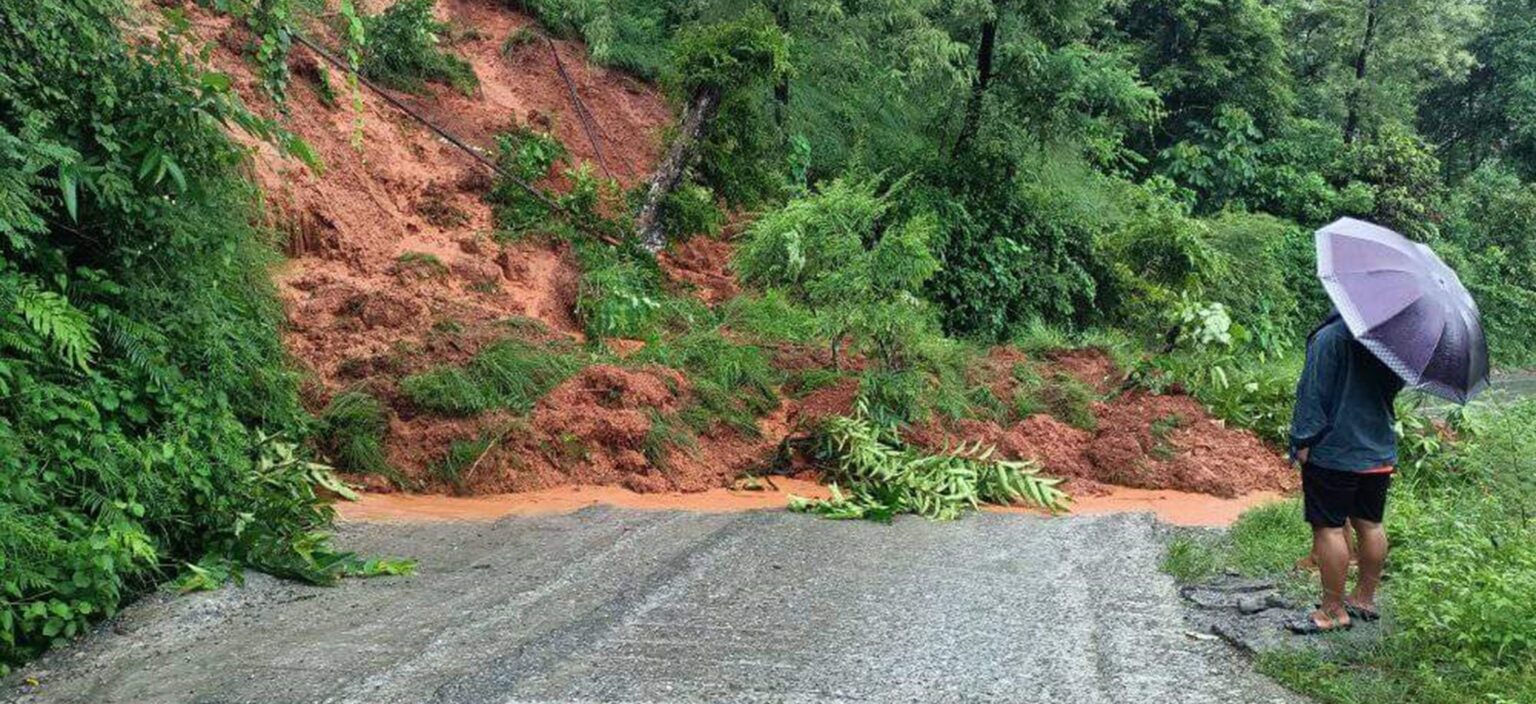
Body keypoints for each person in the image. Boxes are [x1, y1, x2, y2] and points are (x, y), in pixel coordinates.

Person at [1285, 311, 1404, 634]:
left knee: (1329, 529)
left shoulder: (1330, 337)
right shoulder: (1393, 341)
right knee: (1371, 524)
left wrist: (1303, 440)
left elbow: (1312, 393)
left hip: (1335, 450)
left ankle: (1333, 611)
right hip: (1378, 449)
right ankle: (1364, 599)